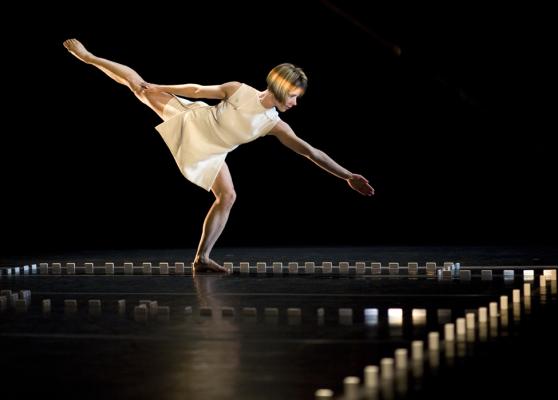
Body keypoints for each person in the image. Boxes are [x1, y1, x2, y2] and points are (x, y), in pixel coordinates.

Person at [63, 38, 375, 273]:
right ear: (281, 89)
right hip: (191, 120)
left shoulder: (274, 125)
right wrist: (160, 86)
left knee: (227, 197)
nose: (295, 103)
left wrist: (347, 175)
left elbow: (310, 152)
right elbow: (197, 90)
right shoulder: (238, 89)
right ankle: (89, 57)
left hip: (213, 152)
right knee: (138, 86)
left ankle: (202, 258)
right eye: (294, 96)